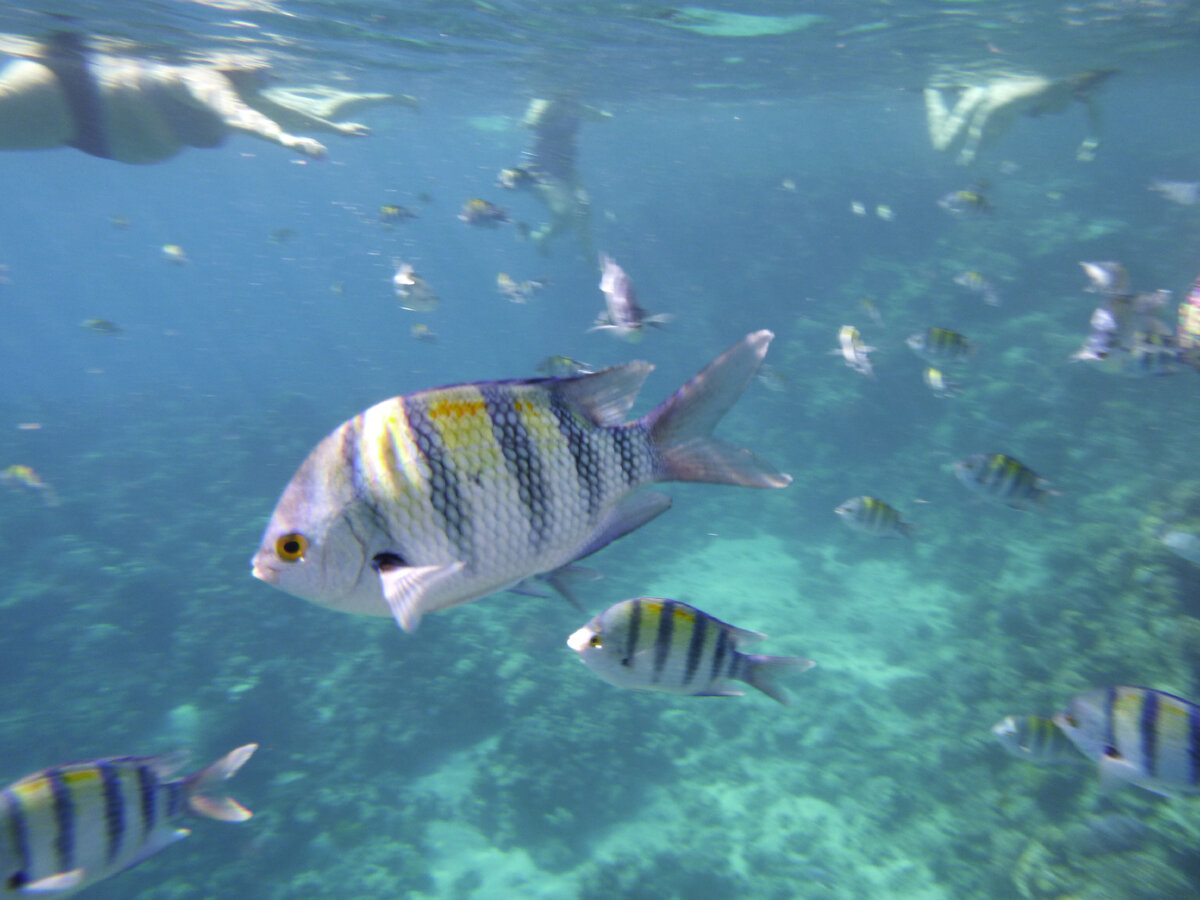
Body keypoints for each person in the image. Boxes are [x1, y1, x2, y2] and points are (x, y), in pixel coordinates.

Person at [0, 31, 404, 163]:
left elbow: (276, 112)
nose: (266, 79)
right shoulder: (199, 78)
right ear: (236, 64)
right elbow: (238, 115)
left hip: (77, 127)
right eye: (261, 72)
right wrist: (287, 141)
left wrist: (334, 129)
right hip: (66, 93)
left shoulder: (237, 90)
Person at [924, 68, 1115, 165]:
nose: (1099, 92)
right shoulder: (1043, 89)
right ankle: (931, 91)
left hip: (1005, 115)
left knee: (981, 149)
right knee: (943, 146)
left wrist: (1092, 142)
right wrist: (969, 150)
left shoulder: (1072, 93)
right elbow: (985, 112)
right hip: (982, 100)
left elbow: (1093, 111)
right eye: (1097, 87)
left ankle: (957, 91)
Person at [497, 96, 609, 257]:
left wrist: (604, 116)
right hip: (538, 170)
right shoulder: (546, 102)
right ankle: (579, 251)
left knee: (584, 209)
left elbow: (599, 117)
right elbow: (528, 122)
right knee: (567, 212)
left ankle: (586, 252)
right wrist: (536, 118)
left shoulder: (575, 104)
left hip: (567, 170)